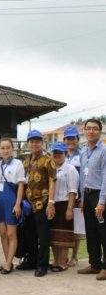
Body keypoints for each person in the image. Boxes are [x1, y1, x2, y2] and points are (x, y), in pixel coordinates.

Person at [20, 129, 57, 277]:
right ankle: (32, 260)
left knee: (43, 236)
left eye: (37, 141)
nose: (34, 144)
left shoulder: (48, 159)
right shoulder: (26, 160)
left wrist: (51, 203)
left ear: (42, 143)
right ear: (28, 143)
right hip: (28, 205)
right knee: (30, 235)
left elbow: (52, 182)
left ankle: (42, 265)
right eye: (32, 141)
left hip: (43, 203)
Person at [77, 119, 106, 281]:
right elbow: (83, 176)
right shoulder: (84, 151)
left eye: (95, 129)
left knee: (103, 232)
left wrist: (102, 202)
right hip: (87, 196)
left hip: (99, 195)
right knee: (91, 231)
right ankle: (94, 263)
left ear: (100, 132)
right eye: (88, 129)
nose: (91, 131)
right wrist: (82, 198)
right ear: (84, 131)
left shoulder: (104, 151)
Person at [0, 138, 25, 275]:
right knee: (3, 234)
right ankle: (8, 262)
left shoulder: (18, 164)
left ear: (12, 149)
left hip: (11, 201)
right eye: (3, 148)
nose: (5, 150)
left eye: (8, 148)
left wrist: (17, 204)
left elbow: (21, 185)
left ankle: (8, 263)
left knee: (12, 234)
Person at [49, 142, 78, 272]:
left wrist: (70, 209)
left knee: (64, 235)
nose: (57, 155)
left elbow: (72, 190)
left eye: (60, 153)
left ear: (65, 154)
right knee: (54, 235)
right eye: (55, 153)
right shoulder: (50, 168)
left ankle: (62, 262)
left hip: (65, 203)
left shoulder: (70, 169)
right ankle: (56, 261)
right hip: (52, 204)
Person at [63, 126, 84, 267]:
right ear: (64, 140)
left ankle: (74, 256)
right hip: (62, 197)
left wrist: (82, 198)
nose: (71, 141)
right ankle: (63, 256)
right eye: (68, 139)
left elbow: (84, 179)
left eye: (73, 138)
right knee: (63, 227)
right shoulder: (59, 154)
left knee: (77, 228)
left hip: (77, 197)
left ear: (77, 139)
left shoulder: (82, 156)